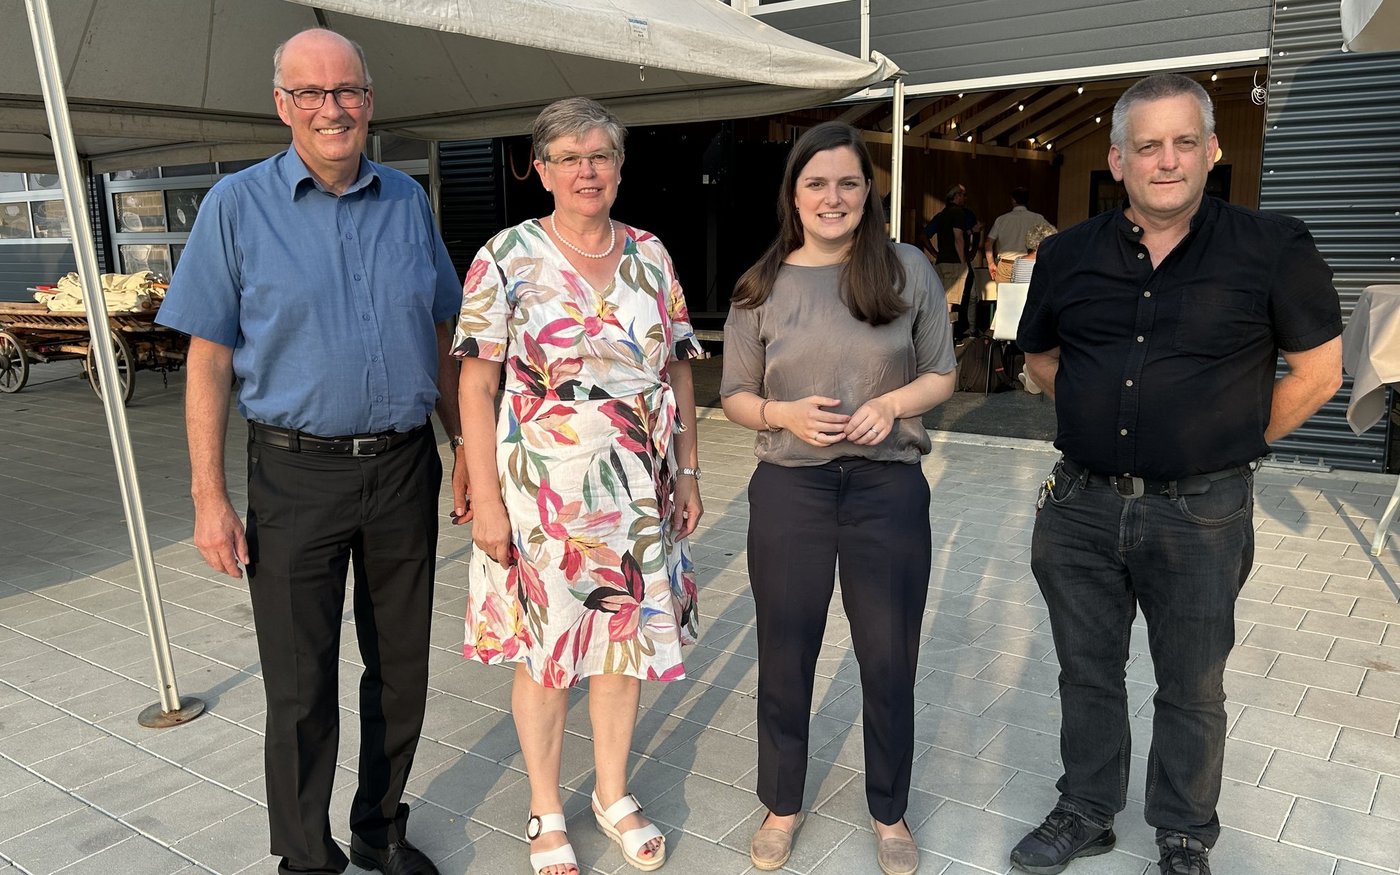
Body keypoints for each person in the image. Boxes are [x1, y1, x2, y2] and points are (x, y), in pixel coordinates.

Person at [1010, 73, 1342, 875]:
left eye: (1184, 142)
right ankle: (1087, 808)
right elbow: (1040, 356)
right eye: (1148, 145)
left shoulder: (1272, 246)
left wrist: (1226, 440)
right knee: (1087, 672)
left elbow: (1321, 372)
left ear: (1212, 150)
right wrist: (1095, 412)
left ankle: (1185, 833)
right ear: (1118, 159)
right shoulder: (1066, 255)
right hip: (1081, 506)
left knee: (1192, 686)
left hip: (1202, 514)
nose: (1167, 160)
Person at [155, 28, 466, 875]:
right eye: (312, 93)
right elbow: (208, 359)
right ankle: (304, 854)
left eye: (347, 91)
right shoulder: (235, 206)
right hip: (295, 474)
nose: (333, 108)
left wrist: (465, 446)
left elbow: (441, 330)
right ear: (282, 104)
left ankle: (379, 826)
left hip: (404, 467)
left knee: (401, 668)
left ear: (369, 100)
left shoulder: (407, 200)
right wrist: (208, 496)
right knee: (299, 682)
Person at [452, 97, 702, 875]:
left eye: (600, 155)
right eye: (568, 157)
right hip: (543, 489)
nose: (586, 170)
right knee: (547, 650)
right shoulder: (505, 256)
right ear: (541, 169)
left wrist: (689, 470)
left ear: (620, 166)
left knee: (624, 640)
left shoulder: (651, 254)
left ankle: (612, 792)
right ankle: (545, 805)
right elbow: (476, 384)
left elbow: (679, 366)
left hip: (638, 483)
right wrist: (487, 499)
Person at [720, 121, 957, 875]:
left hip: (887, 488)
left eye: (848, 182)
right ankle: (781, 803)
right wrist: (781, 414)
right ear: (793, 194)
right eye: (816, 182)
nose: (833, 197)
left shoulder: (906, 269)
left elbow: (941, 373)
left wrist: (892, 404)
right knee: (786, 650)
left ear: (868, 191)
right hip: (791, 487)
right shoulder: (760, 286)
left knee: (888, 655)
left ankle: (890, 810)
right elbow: (734, 394)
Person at [925, 183, 976, 336]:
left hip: (941, 261)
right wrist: (963, 263)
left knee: (943, 299)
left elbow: (923, 235)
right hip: (954, 262)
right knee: (951, 302)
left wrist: (935, 253)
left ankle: (940, 334)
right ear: (957, 196)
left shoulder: (942, 215)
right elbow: (958, 238)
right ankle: (949, 336)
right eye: (963, 195)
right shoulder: (958, 213)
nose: (965, 198)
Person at [985, 188, 1050, 281]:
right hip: (1028, 264)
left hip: (1006, 264)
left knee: (1004, 290)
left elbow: (988, 242)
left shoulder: (1001, 219)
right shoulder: (1037, 218)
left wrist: (991, 263)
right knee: (1025, 290)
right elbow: (1051, 236)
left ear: (1013, 200)